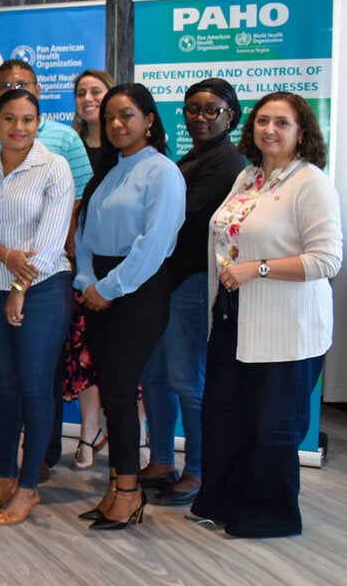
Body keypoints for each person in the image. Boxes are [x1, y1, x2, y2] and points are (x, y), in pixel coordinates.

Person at [194, 92, 341, 538]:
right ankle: (222, 503)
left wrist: (258, 269)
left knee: (270, 428)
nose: (269, 130)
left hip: (285, 328)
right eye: (262, 121)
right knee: (224, 418)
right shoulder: (249, 176)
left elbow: (326, 260)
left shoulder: (310, 182)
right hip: (233, 319)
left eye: (281, 123)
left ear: (302, 132)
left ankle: (270, 515)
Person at [73, 83, 185, 530]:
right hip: (98, 289)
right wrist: (87, 282)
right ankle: (117, 487)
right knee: (112, 394)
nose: (116, 124)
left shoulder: (162, 172)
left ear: (149, 119)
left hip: (137, 291)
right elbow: (83, 234)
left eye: (127, 115)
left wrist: (109, 288)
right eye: (109, 118)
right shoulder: (108, 169)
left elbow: (154, 244)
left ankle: (128, 492)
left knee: (120, 393)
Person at [0, 90, 75, 526]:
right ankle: (5, 478)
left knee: (34, 386)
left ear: (39, 123)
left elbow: (50, 241)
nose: (19, 127)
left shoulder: (54, 166)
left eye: (28, 119)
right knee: (4, 388)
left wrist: (19, 284)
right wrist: (6, 257)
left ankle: (28, 486)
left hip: (43, 289)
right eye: (10, 118)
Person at [141, 79, 245, 507]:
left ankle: (199, 471)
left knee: (187, 380)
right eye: (192, 109)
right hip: (164, 284)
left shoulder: (227, 161)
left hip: (191, 283)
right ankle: (162, 461)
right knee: (155, 378)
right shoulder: (193, 157)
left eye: (211, 110)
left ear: (230, 116)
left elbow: (185, 219)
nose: (200, 118)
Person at [66, 69, 117, 471]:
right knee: (82, 353)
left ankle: (131, 437)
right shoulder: (70, 146)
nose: (88, 98)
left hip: (120, 268)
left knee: (122, 356)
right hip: (76, 265)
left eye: (96, 91)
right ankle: (89, 431)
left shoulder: (128, 147)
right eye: (81, 92)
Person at [0, 59, 93, 198]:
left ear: (38, 91)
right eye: (5, 85)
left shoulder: (66, 138)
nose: (13, 91)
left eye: (22, 84)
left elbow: (81, 198)